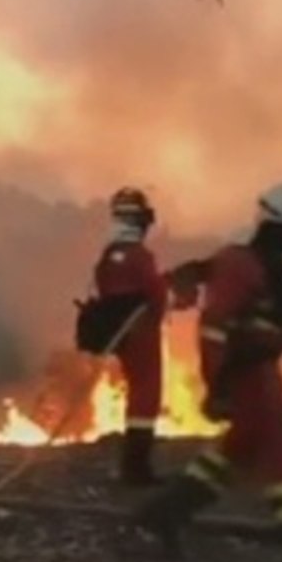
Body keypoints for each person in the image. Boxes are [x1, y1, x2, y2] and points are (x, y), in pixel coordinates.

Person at [135, 181, 282, 562]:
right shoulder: (241, 265)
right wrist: (216, 385)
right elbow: (214, 329)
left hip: (261, 369)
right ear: (278, 227)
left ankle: (161, 515)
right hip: (246, 374)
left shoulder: (265, 262)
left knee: (235, 452)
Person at [93, 187, 169, 485]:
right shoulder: (140, 256)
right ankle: (136, 469)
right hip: (141, 334)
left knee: (138, 392)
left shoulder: (109, 256)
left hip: (122, 334)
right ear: (142, 220)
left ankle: (134, 466)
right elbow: (155, 294)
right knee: (146, 394)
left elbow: (103, 288)